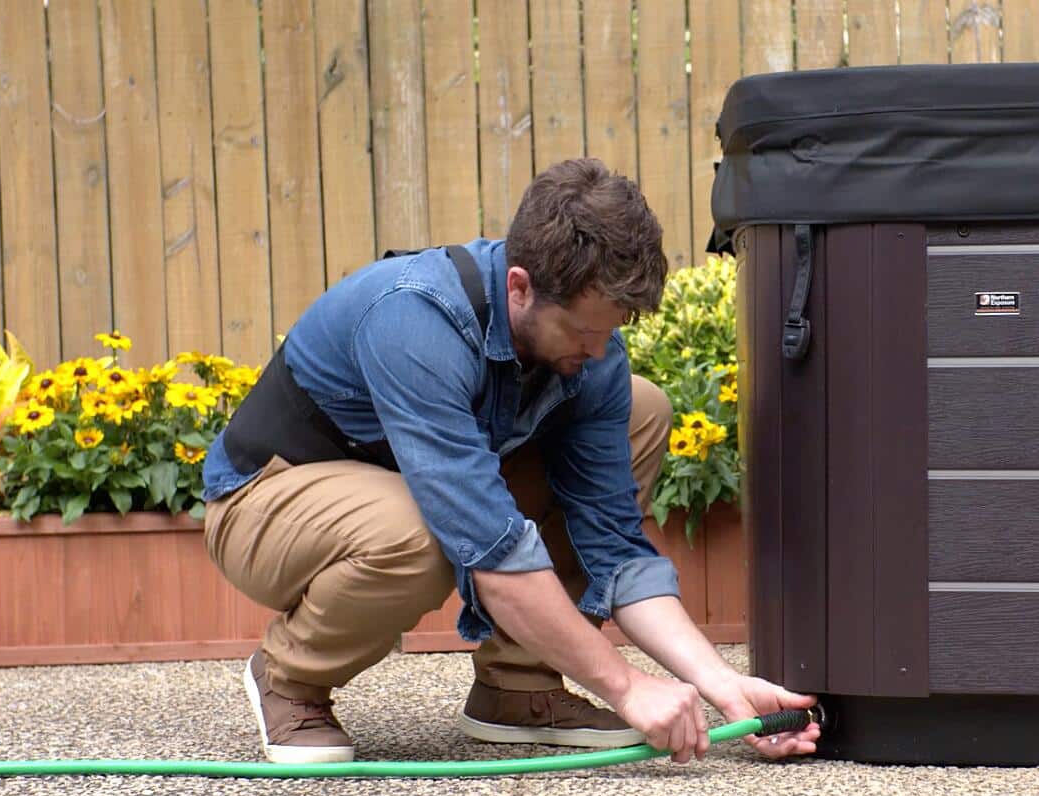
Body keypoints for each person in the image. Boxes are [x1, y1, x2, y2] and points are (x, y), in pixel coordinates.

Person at [201, 157, 823, 765]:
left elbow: (615, 548)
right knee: (418, 537)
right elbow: (490, 554)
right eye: (583, 331)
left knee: (640, 407)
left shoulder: (591, 350)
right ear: (519, 286)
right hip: (264, 499)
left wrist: (725, 689)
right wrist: (627, 687)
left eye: (613, 328)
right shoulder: (416, 319)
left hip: (397, 488)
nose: (601, 348)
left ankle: (518, 688)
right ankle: (290, 677)